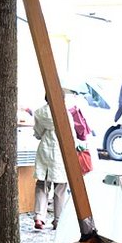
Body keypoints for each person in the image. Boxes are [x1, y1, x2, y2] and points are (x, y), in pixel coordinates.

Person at [32, 96, 73, 230]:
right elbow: (70, 133)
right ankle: (58, 220)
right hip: (60, 151)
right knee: (60, 187)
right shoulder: (64, 113)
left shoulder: (40, 113)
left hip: (44, 150)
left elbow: (38, 133)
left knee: (42, 184)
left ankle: (39, 216)